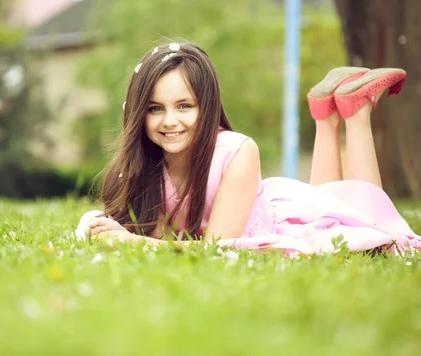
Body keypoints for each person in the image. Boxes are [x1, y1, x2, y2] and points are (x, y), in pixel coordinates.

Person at [75, 42, 420, 255]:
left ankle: (356, 114)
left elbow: (217, 250)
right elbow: (142, 232)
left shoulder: (236, 151)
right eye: (155, 109)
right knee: (335, 200)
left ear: (207, 106)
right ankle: (325, 118)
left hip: (280, 225)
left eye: (184, 106)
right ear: (138, 113)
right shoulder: (146, 164)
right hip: (282, 211)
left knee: (365, 217)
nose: (169, 121)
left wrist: (136, 244)